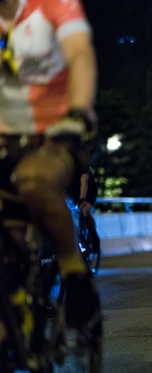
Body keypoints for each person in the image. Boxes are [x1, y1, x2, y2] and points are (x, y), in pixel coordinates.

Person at [0, 0, 99, 330]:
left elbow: (80, 56)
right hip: (5, 144)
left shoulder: (54, 4)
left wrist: (76, 114)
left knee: (32, 179)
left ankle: (74, 270)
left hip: (56, 136)